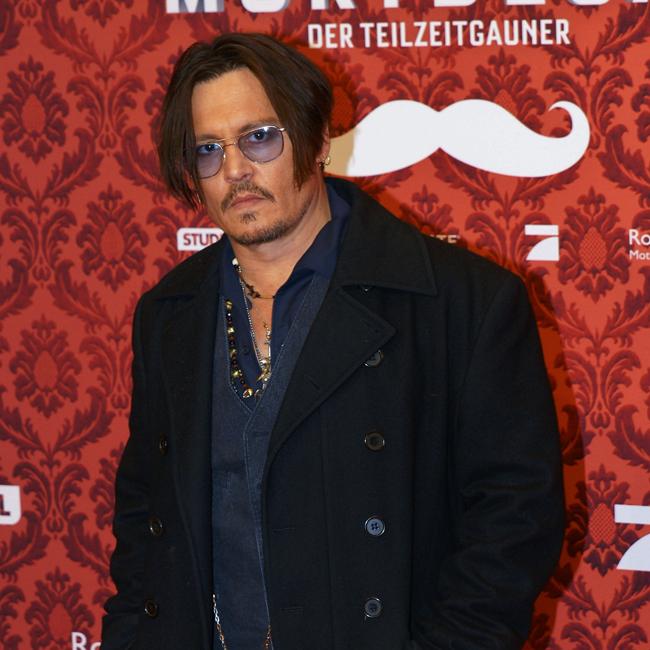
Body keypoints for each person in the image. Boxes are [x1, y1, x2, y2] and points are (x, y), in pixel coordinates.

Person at [101, 32, 564, 650]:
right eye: (208, 149)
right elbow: (145, 521)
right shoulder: (169, 315)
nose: (235, 170)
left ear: (319, 139)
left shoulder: (463, 303)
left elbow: (514, 522)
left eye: (259, 137)